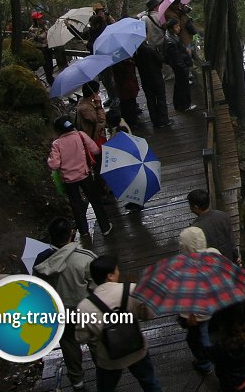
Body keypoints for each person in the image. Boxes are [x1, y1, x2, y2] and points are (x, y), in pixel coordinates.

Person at [75, 254, 161, 392]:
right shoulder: (132, 290)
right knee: (150, 382)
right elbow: (149, 315)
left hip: (108, 359)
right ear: (110, 275)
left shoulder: (84, 307)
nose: (118, 272)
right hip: (137, 349)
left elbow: (81, 337)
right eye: (117, 270)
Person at [33, 217, 96, 391]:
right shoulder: (85, 258)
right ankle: (104, 369)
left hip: (60, 312)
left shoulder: (41, 261)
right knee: (95, 339)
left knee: (68, 344)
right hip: (85, 310)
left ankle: (77, 381)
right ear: (71, 233)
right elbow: (97, 285)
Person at [47, 115, 113, 238]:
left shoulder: (56, 144)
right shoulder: (81, 135)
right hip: (84, 175)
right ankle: (105, 227)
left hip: (69, 180)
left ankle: (83, 231)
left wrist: (50, 158)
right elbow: (96, 150)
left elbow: (54, 164)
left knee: (76, 205)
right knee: (95, 201)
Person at [178, 226, 220, 374]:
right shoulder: (214, 253)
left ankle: (205, 363)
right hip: (215, 303)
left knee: (199, 338)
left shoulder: (184, 267)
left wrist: (188, 315)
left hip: (198, 312)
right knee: (208, 334)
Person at [136, 0, 171, 129]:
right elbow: (165, 27)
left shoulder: (143, 19)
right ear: (156, 6)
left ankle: (154, 120)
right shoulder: (160, 16)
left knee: (150, 98)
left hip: (145, 76)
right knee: (160, 95)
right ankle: (163, 120)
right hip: (159, 45)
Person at [161, 1, 196, 112]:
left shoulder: (172, 37)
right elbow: (177, 58)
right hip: (180, 67)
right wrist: (184, 67)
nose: (179, 28)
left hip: (179, 66)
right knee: (183, 86)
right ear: (172, 28)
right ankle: (185, 105)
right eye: (177, 26)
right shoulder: (171, 41)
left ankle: (179, 104)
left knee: (179, 85)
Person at [188, 188, 239, 263]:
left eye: (190, 205)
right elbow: (231, 240)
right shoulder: (223, 216)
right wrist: (236, 256)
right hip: (229, 262)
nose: (190, 208)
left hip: (213, 266)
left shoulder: (196, 228)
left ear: (196, 207)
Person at [26, 10, 55, 85]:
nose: (41, 20)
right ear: (35, 20)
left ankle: (51, 77)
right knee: (47, 66)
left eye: (41, 19)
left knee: (50, 65)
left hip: (48, 47)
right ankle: (50, 80)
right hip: (41, 49)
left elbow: (50, 34)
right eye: (39, 19)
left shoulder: (45, 26)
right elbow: (40, 38)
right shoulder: (32, 29)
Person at [76, 81, 108, 146]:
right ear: (93, 93)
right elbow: (101, 119)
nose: (98, 93)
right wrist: (98, 105)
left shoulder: (88, 102)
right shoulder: (85, 108)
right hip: (92, 139)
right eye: (97, 91)